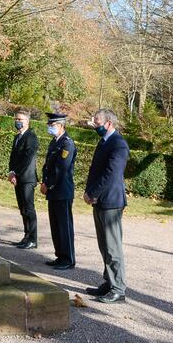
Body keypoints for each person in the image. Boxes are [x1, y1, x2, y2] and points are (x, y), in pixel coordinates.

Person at [84, 108, 129, 303]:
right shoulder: (104, 142)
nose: (95, 125)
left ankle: (118, 288)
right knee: (104, 246)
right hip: (100, 201)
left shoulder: (118, 144)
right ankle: (109, 283)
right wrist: (88, 192)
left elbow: (111, 175)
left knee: (113, 247)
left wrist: (93, 193)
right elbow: (96, 171)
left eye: (97, 122)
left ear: (109, 123)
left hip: (110, 201)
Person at [40, 112, 77, 270]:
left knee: (64, 225)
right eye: (49, 125)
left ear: (61, 125)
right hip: (53, 190)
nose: (50, 127)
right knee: (55, 225)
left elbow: (61, 169)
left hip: (62, 190)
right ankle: (60, 255)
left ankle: (68, 259)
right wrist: (44, 182)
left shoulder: (67, 144)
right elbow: (47, 165)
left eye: (52, 125)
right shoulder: (54, 142)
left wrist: (48, 184)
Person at [8, 110, 39, 249]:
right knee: (22, 209)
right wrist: (11, 172)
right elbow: (13, 157)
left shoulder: (31, 137)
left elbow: (27, 158)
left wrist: (17, 173)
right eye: (16, 118)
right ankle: (26, 237)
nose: (17, 121)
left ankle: (32, 239)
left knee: (28, 209)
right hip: (18, 178)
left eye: (20, 119)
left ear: (27, 121)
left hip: (27, 178)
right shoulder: (17, 137)